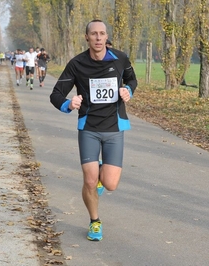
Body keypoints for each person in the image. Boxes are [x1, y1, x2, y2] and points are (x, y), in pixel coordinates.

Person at [50, 19, 137, 241]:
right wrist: (68, 104)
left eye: (102, 34)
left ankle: (100, 175)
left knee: (110, 184)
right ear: (87, 37)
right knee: (89, 181)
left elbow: (131, 79)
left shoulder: (120, 59)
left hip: (114, 127)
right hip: (88, 128)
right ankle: (94, 222)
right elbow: (56, 94)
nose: (98, 38)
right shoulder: (76, 63)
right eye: (94, 34)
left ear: (106, 37)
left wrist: (127, 90)